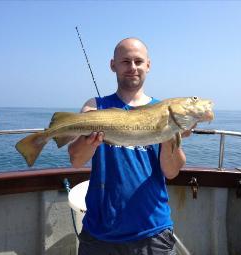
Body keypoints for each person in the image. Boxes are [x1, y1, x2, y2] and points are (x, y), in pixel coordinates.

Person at [68, 38, 193, 255]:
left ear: (148, 65)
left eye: (138, 61)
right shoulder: (95, 107)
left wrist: (168, 134)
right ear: (113, 65)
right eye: (125, 61)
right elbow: (76, 159)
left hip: (152, 231)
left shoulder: (163, 110)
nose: (132, 67)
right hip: (100, 233)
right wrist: (90, 141)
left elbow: (171, 172)